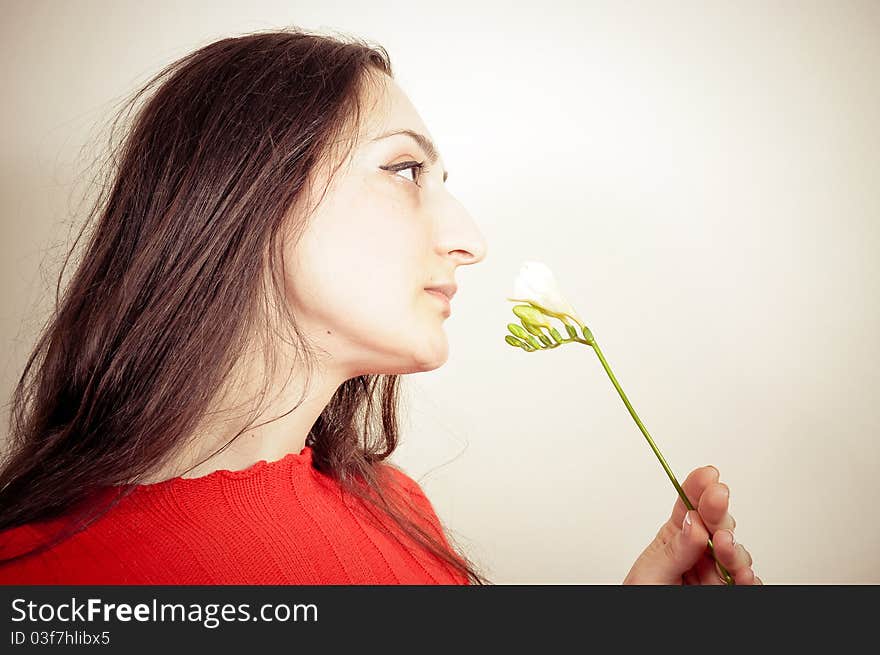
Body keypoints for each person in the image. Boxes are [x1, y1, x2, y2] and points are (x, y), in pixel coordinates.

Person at [0, 28, 759, 585]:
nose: (469, 238)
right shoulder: (42, 580)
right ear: (243, 195)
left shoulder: (398, 506)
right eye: (403, 168)